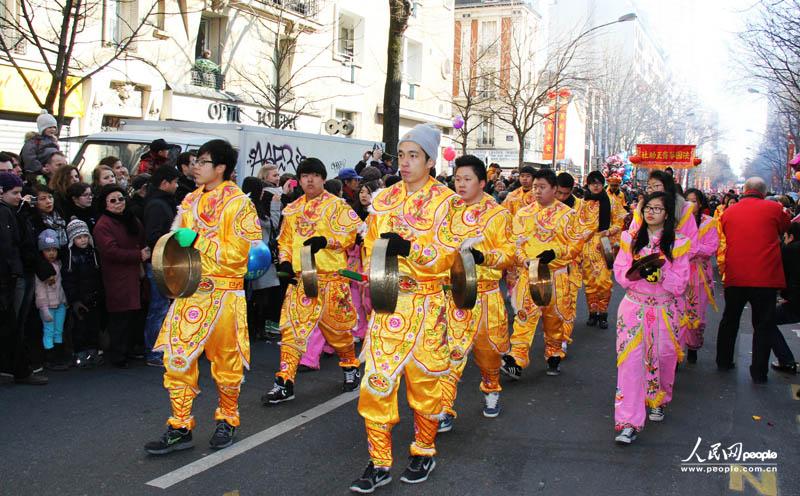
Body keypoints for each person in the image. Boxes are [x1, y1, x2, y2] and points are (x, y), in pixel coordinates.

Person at [350, 124, 460, 492]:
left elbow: (448, 257)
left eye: (415, 155)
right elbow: (368, 246)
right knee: (377, 383)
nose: (407, 162)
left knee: (425, 386)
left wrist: (411, 249)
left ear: (430, 161)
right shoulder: (383, 200)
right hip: (389, 305)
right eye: (402, 155)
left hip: (428, 305)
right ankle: (379, 462)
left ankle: (423, 451)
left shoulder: (446, 202)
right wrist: (374, 275)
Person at [145, 139, 261, 454]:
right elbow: (175, 244)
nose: (196, 166)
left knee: (226, 362)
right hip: (190, 293)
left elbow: (241, 255)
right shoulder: (190, 200)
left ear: (221, 167)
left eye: (203, 161)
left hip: (225, 294)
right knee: (177, 358)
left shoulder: (239, 203)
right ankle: (180, 425)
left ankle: (228, 419)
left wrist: (197, 239)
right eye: (196, 160)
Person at [262, 158, 362, 405]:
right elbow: (284, 240)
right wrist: (285, 261)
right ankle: (285, 381)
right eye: (305, 175)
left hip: (332, 280)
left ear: (323, 178)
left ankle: (350, 365)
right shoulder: (292, 209)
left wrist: (325, 241)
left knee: (338, 332)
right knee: (291, 331)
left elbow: (350, 236)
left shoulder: (338, 206)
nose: (310, 180)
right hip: (300, 280)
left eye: (315, 175)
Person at [437, 155, 514, 433]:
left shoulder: (498, 214)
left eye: (467, 179)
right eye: (457, 179)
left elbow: (509, 254)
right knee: (450, 353)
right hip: (454, 296)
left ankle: (491, 388)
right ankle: (444, 409)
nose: (461, 184)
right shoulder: (445, 211)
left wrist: (484, 257)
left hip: (486, 294)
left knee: (488, 352)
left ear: (483, 182)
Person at [613, 191, 691, 445]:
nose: (651, 212)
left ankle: (658, 398)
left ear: (667, 214)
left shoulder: (679, 243)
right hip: (633, 308)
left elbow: (680, 283)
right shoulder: (630, 239)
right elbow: (621, 272)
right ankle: (628, 421)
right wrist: (637, 274)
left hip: (663, 311)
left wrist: (662, 277)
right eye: (647, 208)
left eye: (657, 209)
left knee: (663, 357)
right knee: (630, 363)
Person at [502, 168, 582, 380]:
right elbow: (515, 243)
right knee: (524, 316)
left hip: (556, 275)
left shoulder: (568, 215)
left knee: (553, 318)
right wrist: (522, 259)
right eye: (535, 187)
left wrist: (554, 253)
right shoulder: (523, 214)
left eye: (542, 187)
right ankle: (516, 359)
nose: (537, 191)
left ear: (554, 189)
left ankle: (554, 351)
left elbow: (575, 247)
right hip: (529, 274)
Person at [716, 177, 791, 382]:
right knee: (763, 325)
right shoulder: (775, 209)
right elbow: (785, 229)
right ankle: (759, 372)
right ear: (764, 192)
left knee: (730, 320)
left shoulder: (729, 211)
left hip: (735, 275)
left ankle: (723, 361)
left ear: (745, 190)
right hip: (765, 277)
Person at [93, 185, 149, 368]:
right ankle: (118, 355)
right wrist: (137, 255)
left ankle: (130, 349)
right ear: (105, 204)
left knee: (133, 314)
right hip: (116, 275)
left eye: (121, 199)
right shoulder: (103, 225)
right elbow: (110, 251)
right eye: (113, 200)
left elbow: (141, 239)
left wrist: (141, 254)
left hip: (134, 273)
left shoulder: (130, 219)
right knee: (120, 317)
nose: (118, 203)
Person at [0, 173, 47, 385]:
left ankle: (17, 368)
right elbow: (9, 247)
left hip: (16, 274)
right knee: (13, 324)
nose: (20, 197)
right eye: (15, 193)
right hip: (10, 277)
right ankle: (18, 370)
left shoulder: (13, 212)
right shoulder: (5, 213)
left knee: (15, 324)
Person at [578, 171, 626, 329]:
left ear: (602, 184)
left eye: (598, 183)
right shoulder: (583, 203)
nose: (596, 186)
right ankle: (592, 313)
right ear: (588, 184)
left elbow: (619, 223)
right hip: (587, 246)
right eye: (592, 183)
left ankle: (603, 313)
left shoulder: (612, 202)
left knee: (604, 282)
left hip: (604, 245)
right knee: (589, 282)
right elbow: (577, 225)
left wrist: (609, 232)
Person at [142, 166, 179, 367]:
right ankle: (154, 351)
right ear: (164, 183)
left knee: (165, 307)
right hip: (160, 262)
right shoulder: (157, 205)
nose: (176, 186)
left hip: (168, 261)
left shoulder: (164, 202)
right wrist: (176, 241)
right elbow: (154, 236)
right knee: (158, 307)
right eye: (174, 182)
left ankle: (161, 348)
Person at [241, 176, 281, 342]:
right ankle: (253, 328)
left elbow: (273, 224)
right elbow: (273, 224)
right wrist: (275, 205)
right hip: (255, 257)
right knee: (255, 296)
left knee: (261, 294)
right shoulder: (249, 209)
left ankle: (257, 327)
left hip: (260, 256)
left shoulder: (257, 207)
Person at [682, 189, 719, 363]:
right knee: (677, 312)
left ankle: (693, 345)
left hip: (699, 274)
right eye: (687, 200)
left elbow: (711, 248)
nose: (690, 204)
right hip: (680, 273)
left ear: (701, 203)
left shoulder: (709, 223)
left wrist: (692, 249)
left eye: (694, 201)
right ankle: (676, 351)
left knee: (696, 313)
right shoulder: (677, 222)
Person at [61, 219, 104, 368]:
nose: (83, 240)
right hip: (79, 299)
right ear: (73, 239)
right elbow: (68, 280)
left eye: (85, 236)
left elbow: (98, 276)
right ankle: (79, 354)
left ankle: (93, 352)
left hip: (94, 297)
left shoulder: (93, 253)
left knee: (93, 327)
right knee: (79, 328)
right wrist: (74, 300)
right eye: (79, 237)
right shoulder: (70, 257)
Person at [35, 229, 69, 370]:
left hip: (60, 303)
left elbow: (60, 286)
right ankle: (50, 358)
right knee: (48, 331)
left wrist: (65, 301)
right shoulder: (41, 269)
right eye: (47, 250)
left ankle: (59, 356)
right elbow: (40, 290)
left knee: (58, 331)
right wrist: (43, 308)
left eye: (54, 249)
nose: (51, 253)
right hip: (47, 306)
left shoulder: (59, 265)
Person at [771, 222, 800, 373]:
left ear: (791, 237)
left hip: (796, 302)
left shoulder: (789, 250)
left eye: (785, 237)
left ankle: (786, 360)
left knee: (766, 320)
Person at [20, 110, 60, 177]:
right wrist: (40, 168)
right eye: (50, 127)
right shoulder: (33, 141)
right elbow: (29, 157)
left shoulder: (54, 142)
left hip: (52, 174)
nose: (53, 129)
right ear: (42, 128)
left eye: (54, 127)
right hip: (38, 174)